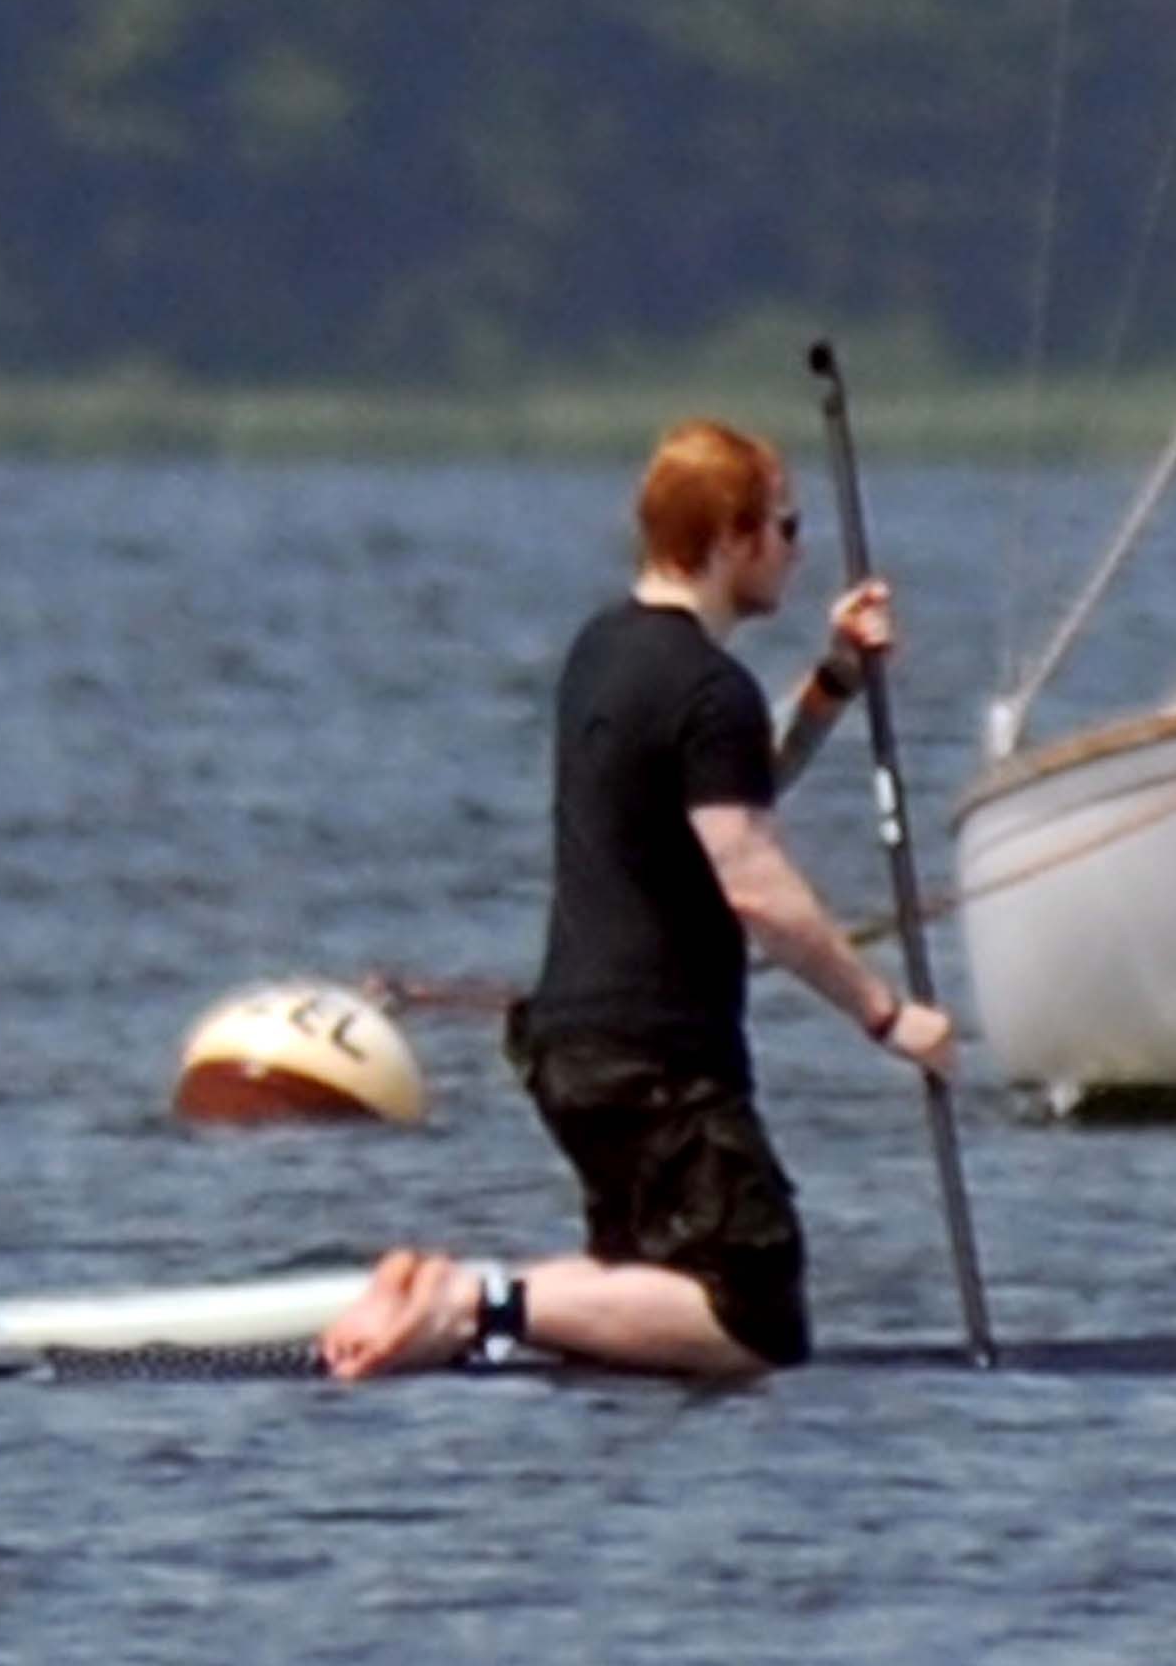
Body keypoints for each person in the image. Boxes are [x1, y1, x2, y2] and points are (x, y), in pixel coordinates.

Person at [320, 417, 958, 1380]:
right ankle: (470, 1303)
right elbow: (755, 885)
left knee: (646, 1289)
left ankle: (440, 1306)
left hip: (572, 1048)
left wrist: (833, 682)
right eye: (786, 526)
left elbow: (731, 779)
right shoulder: (709, 689)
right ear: (733, 538)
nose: (798, 551)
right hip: (657, 1060)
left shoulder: (603, 652)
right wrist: (886, 1015)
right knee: (752, 1315)